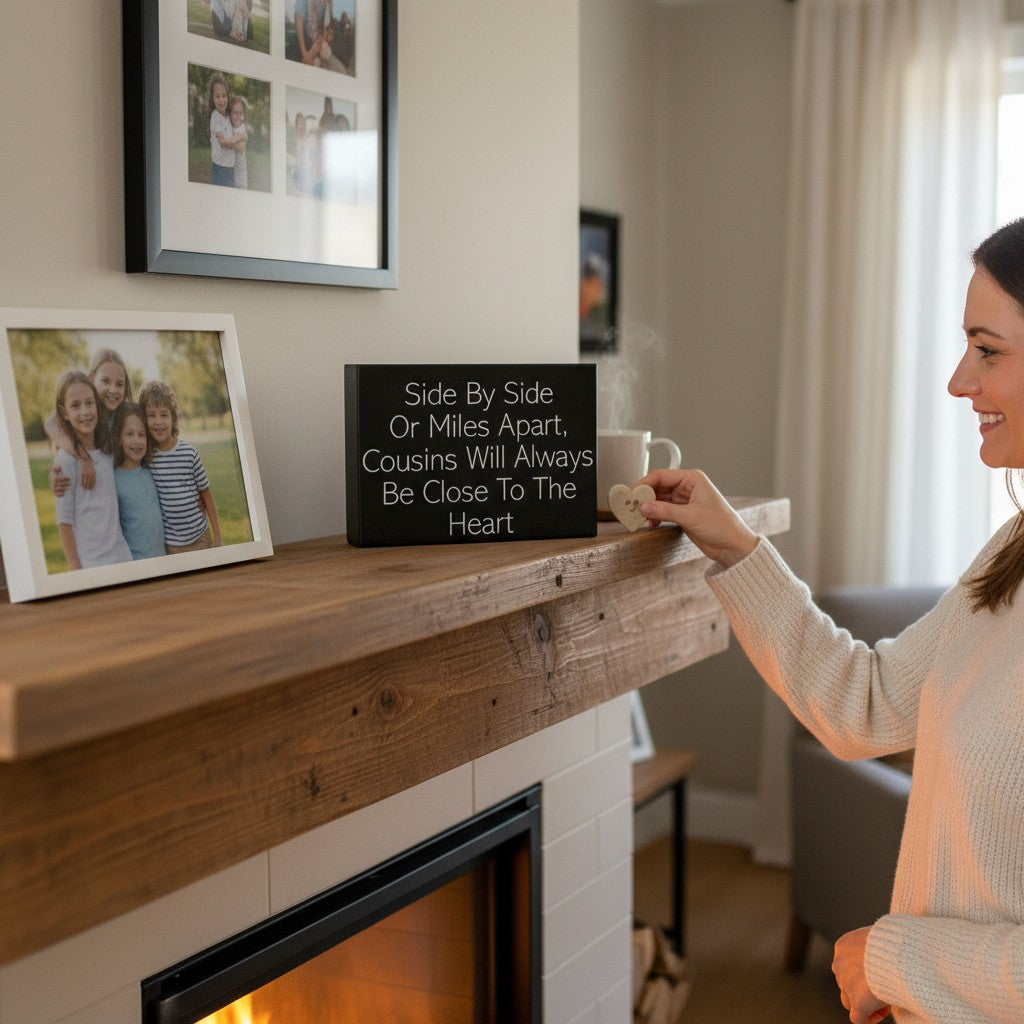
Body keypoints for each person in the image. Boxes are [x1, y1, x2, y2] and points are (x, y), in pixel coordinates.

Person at [637, 218, 1024, 1024]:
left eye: (988, 350)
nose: (959, 381)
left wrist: (893, 957)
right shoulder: (1013, 553)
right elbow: (868, 701)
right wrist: (735, 546)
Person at [52, 370, 132, 571]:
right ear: (64, 413)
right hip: (91, 565)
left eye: (89, 403)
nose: (85, 412)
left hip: (123, 557)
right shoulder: (66, 459)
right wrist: (75, 568)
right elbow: (64, 521)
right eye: (75, 406)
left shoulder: (107, 450)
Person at [139, 380, 222, 554]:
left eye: (164, 414)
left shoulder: (189, 453)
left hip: (200, 537)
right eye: (151, 415)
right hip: (171, 545)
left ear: (173, 418)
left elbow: (206, 494)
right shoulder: (146, 458)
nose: (158, 421)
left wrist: (218, 535)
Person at [46, 347, 132, 492]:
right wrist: (83, 457)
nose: (113, 389)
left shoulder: (124, 416)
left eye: (119, 384)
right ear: (92, 378)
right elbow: (51, 423)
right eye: (105, 381)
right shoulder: (85, 418)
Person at [111, 402, 165, 561]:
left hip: (163, 559)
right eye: (129, 434)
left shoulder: (151, 470)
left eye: (141, 435)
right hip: (137, 563)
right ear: (119, 439)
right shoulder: (114, 480)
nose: (137, 441)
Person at [209, 73, 235, 188]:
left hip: (230, 167)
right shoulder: (215, 117)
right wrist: (240, 139)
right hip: (219, 167)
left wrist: (235, 140)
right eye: (217, 96)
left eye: (223, 96)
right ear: (213, 98)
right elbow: (223, 142)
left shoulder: (229, 117)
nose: (221, 100)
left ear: (227, 96)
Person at [227, 95, 248, 190]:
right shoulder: (228, 126)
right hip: (231, 168)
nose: (238, 116)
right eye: (235, 113)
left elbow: (242, 147)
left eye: (241, 113)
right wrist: (237, 139)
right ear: (230, 114)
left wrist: (227, 141)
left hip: (240, 170)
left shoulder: (242, 127)